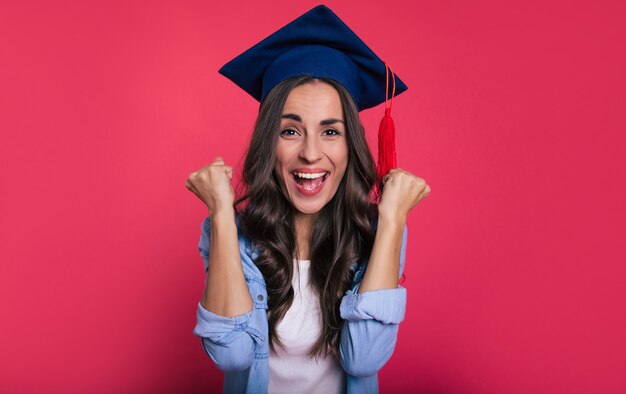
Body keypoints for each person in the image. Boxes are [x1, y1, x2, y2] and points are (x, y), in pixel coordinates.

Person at [186, 5, 430, 394]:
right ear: (270, 142)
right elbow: (230, 354)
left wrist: (392, 220)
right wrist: (220, 213)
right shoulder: (235, 236)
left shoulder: (381, 232)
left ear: (351, 144)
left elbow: (364, 358)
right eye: (290, 131)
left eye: (331, 132)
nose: (311, 154)